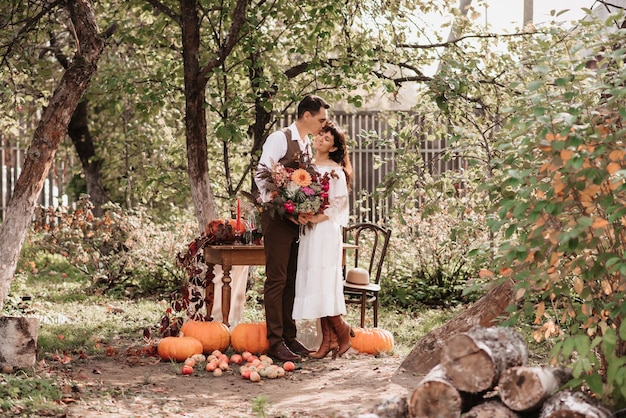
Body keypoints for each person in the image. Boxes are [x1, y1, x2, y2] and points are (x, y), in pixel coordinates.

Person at [255, 94, 330, 362]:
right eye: (321, 119)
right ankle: (275, 341)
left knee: (291, 280)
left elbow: (305, 184)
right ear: (306, 115)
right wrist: (280, 204)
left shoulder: (307, 144)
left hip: (296, 221)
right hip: (276, 219)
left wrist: (303, 210)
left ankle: (288, 336)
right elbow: (262, 174)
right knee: (276, 279)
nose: (324, 124)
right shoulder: (280, 138)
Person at [292, 121, 353, 359]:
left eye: (327, 139)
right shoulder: (306, 166)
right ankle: (327, 342)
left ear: (333, 147)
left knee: (323, 281)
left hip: (325, 230)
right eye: (320, 135)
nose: (321, 139)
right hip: (308, 230)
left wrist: (317, 217)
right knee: (315, 283)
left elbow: (339, 203)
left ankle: (342, 331)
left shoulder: (335, 170)